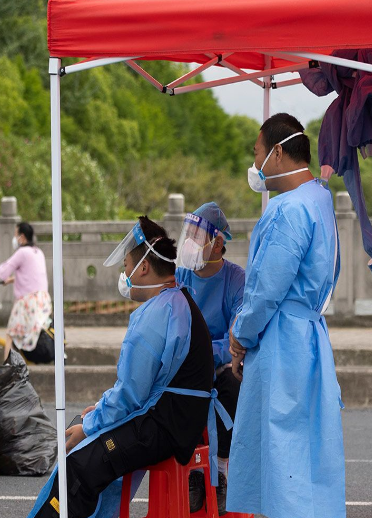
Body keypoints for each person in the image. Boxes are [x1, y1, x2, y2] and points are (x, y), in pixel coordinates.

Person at [27, 216, 216, 518]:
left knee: (78, 466)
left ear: (143, 268)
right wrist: (98, 413)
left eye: (126, 265)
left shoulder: (156, 313)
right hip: (176, 420)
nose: (124, 272)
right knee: (87, 435)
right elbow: (135, 391)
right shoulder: (177, 299)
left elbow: (130, 394)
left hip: (165, 427)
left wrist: (91, 425)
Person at [227, 113, 346, 518]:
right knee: (309, 450)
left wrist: (240, 335)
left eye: (257, 152)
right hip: (310, 334)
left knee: (283, 451)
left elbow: (266, 289)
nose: (255, 162)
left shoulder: (287, 210)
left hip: (282, 338)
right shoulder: (320, 198)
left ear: (277, 153)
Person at [175, 202, 245, 515]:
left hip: (218, 364)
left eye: (197, 235)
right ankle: (190, 471)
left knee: (232, 382)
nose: (190, 241)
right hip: (185, 363)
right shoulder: (180, 275)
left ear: (217, 243)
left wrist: (208, 352)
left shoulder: (235, 279)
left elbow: (236, 333)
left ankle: (219, 469)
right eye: (188, 234)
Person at [0, 222, 54, 363]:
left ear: (22, 237)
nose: (15, 238)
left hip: (27, 302)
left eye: (16, 235)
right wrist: (12, 280)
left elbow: (5, 268)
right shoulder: (38, 252)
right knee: (23, 334)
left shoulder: (22, 253)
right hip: (42, 301)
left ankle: (7, 370)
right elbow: (32, 276)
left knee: (11, 334)